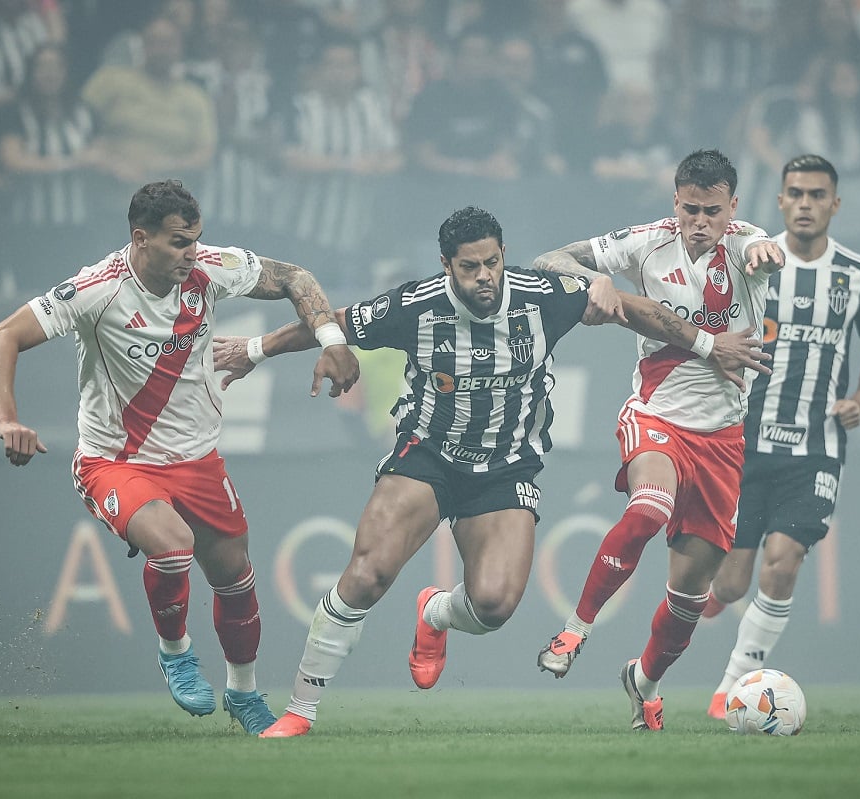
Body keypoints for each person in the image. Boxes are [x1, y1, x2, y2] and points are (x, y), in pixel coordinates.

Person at [211, 205, 770, 738]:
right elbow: (331, 324)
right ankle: (300, 710)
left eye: (492, 262)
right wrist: (255, 349)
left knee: (495, 605)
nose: (484, 276)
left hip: (506, 468)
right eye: (469, 267)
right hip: (429, 454)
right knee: (367, 572)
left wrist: (704, 343)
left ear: (504, 255)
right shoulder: (417, 306)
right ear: (447, 267)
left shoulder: (544, 297)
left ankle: (434, 611)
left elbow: (636, 311)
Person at [0, 179, 359, 735]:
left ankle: (245, 693)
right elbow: (0, 338)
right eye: (180, 242)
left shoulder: (209, 267)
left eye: (196, 239)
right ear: (141, 238)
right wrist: (7, 420)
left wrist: (330, 338)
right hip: (115, 461)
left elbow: (293, 277)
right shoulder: (97, 289)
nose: (192, 252)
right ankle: (175, 652)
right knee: (174, 546)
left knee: (236, 579)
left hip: (197, 460)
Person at [533, 149, 785, 732]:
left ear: (733, 208)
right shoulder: (646, 241)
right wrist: (592, 275)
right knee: (648, 509)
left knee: (690, 596)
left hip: (722, 438)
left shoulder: (747, 245)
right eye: (691, 208)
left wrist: (767, 251)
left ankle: (643, 681)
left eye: (713, 211)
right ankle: (574, 631)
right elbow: (548, 261)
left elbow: (761, 250)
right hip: (655, 416)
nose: (701, 221)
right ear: (675, 202)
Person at [702, 154, 860, 719]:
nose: (805, 203)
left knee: (782, 561)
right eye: (795, 193)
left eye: (817, 194)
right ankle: (713, 597)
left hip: (816, 449)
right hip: (745, 444)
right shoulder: (755, 263)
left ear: (835, 204)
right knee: (732, 584)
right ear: (780, 201)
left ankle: (732, 685)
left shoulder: (859, 275)